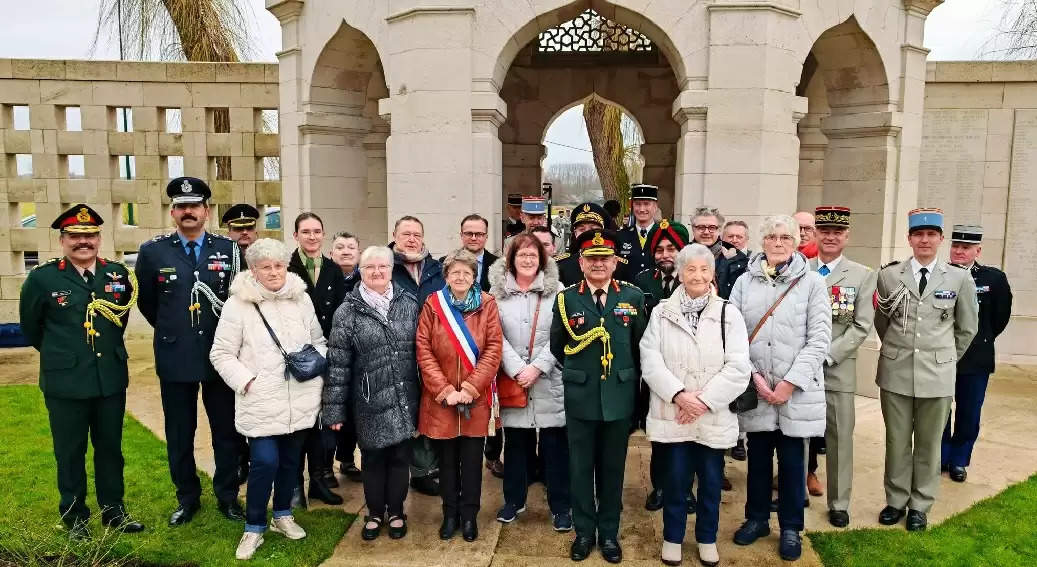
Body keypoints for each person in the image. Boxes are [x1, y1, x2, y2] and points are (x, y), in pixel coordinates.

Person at [19, 204, 144, 539]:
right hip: (66, 382)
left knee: (110, 449)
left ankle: (113, 510)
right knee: (70, 452)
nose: (83, 241)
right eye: (75, 236)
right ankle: (75, 515)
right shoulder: (43, 278)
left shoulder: (117, 274)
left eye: (89, 235)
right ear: (63, 240)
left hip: (109, 380)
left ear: (99, 238)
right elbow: (32, 328)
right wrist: (65, 354)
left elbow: (118, 320)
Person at [135, 177, 247, 526]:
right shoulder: (153, 251)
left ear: (206, 211)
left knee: (225, 432)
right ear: (173, 212)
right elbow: (149, 304)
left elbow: (237, 302)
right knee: (180, 433)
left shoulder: (228, 250)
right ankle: (187, 498)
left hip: (220, 357)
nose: (188, 212)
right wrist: (176, 333)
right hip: (175, 357)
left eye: (194, 206)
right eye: (181, 207)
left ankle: (227, 496)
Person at [209, 238, 326, 560]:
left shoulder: (301, 299)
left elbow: (318, 340)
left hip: (300, 396)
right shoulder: (239, 304)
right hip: (261, 398)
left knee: (291, 462)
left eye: (278, 265)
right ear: (253, 270)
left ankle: (283, 516)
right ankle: (254, 526)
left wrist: (314, 368)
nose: (273, 272)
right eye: (265, 267)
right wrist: (247, 382)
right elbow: (220, 353)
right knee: (264, 461)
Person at [640, 243, 752, 567]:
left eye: (704, 269)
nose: (698, 275)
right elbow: (651, 360)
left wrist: (702, 401)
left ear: (712, 273)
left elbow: (738, 366)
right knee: (675, 481)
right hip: (674, 413)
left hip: (711, 416)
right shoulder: (661, 313)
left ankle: (706, 538)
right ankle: (673, 538)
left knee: (711, 483)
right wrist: (678, 395)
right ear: (679, 273)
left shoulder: (728, 314)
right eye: (690, 269)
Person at [729, 214, 831, 562]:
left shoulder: (813, 283)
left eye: (785, 237)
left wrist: (789, 383)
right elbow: (735, 335)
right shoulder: (744, 282)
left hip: (795, 390)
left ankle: (790, 527)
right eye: (771, 237)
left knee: (792, 463)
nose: (778, 243)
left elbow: (819, 340)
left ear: (795, 242)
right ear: (762, 242)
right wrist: (756, 378)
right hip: (757, 386)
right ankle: (756, 519)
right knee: (757, 460)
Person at [875, 208, 978, 531]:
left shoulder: (959, 278)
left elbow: (967, 328)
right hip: (896, 372)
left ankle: (920, 504)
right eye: (918, 235)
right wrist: (899, 351)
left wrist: (944, 359)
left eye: (931, 235)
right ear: (909, 238)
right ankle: (895, 499)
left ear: (941, 239)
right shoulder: (890, 275)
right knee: (897, 441)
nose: (924, 240)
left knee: (930, 444)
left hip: (938, 375)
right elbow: (883, 322)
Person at [550, 229, 647, 564]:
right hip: (581, 398)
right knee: (579, 469)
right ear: (581, 262)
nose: (598, 265)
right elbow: (557, 346)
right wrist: (581, 373)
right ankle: (583, 533)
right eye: (591, 259)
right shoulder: (566, 300)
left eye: (604, 258)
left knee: (612, 470)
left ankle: (608, 533)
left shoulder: (632, 298)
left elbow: (639, 347)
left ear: (615, 262)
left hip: (619, 398)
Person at [323, 245, 422, 541]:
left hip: (405, 396)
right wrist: (334, 410)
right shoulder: (348, 310)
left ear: (391, 269)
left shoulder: (409, 303)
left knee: (400, 459)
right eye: (370, 268)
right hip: (368, 400)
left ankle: (396, 513)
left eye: (382, 267)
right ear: (361, 272)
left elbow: (422, 353)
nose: (377, 272)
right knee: (374, 459)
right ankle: (375, 512)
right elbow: (338, 364)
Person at [416, 249, 503, 542]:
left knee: (472, 464)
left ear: (474, 275)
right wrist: (444, 390)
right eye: (455, 272)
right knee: (447, 464)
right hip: (442, 400)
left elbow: (493, 349)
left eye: (466, 272)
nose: (461, 277)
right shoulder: (433, 304)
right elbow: (424, 350)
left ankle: (469, 517)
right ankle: (449, 515)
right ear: (447, 276)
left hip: (474, 399)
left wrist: (469, 388)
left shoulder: (488, 304)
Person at [488, 233, 572, 532]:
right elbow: (494, 336)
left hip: (549, 379)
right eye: (521, 255)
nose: (527, 260)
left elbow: (561, 336)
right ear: (510, 259)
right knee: (516, 446)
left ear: (542, 260)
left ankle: (561, 506)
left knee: (555, 447)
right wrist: (516, 369)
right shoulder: (496, 295)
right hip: (514, 382)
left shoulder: (558, 292)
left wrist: (537, 367)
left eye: (532, 256)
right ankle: (514, 500)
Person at [807, 206, 877, 527]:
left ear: (846, 236)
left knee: (839, 439)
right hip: (802, 372)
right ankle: (794, 493)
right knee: (797, 436)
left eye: (837, 232)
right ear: (816, 234)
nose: (830, 237)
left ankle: (839, 502)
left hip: (837, 371)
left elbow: (861, 326)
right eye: (825, 231)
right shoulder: (801, 268)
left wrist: (826, 355)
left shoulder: (862, 275)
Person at [941, 224, 1013, 483]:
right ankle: (941, 456)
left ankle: (959, 460)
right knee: (939, 413)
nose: (959, 251)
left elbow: (999, 318)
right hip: (942, 357)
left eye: (966, 247)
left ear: (977, 250)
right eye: (956, 246)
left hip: (975, 359)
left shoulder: (993, 279)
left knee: (969, 413)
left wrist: (982, 339)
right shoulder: (939, 274)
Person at [633, 220, 691, 512]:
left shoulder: (694, 280)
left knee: (689, 431)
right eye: (660, 249)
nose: (665, 254)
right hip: (654, 369)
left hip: (689, 370)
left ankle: (685, 489)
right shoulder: (643, 281)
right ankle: (660, 486)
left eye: (672, 248)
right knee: (659, 431)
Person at [287, 213, 345, 506]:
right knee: (299, 424)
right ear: (295, 235)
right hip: (296, 358)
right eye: (305, 231)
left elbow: (340, 313)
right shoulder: (286, 269)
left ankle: (320, 479)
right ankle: (294, 483)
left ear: (324, 235)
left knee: (323, 424)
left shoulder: (334, 270)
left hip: (327, 354)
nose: (312, 237)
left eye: (317, 231)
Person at [441, 215, 503, 475]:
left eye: (479, 234)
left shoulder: (498, 265)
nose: (474, 238)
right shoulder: (447, 264)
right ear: (461, 235)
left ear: (486, 236)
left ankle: (492, 454)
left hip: (487, 344)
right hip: (456, 347)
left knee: (490, 401)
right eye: (469, 233)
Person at [390, 215, 446, 496]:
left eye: (417, 234)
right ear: (395, 235)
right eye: (406, 234)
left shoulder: (437, 269)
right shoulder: (385, 267)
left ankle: (427, 468)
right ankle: (411, 469)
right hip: (398, 353)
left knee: (430, 410)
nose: (412, 239)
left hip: (433, 353)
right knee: (406, 412)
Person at [689, 207, 748, 299]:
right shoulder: (682, 255)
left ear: (719, 230)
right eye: (701, 227)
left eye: (712, 228)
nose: (706, 232)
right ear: (693, 229)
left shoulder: (739, 259)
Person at [556, 202, 612, 286]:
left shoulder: (617, 265)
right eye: (582, 229)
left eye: (593, 229)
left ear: (603, 232)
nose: (587, 233)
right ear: (575, 233)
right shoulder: (562, 266)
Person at [618, 184, 660, 276]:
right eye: (637, 204)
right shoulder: (620, 236)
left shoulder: (663, 234)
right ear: (632, 206)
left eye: (646, 204)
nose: (641, 209)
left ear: (655, 206)